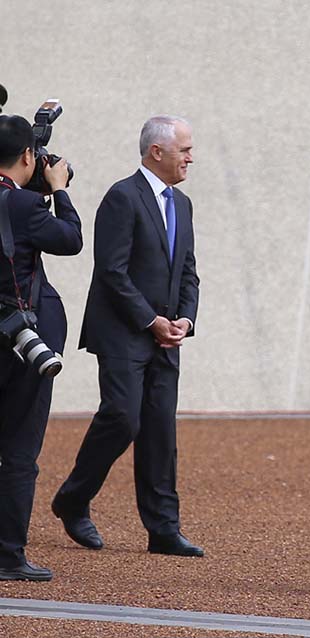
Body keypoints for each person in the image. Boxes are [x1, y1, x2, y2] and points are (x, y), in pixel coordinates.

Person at [52, 115, 202, 557]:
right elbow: (111, 271)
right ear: (157, 151)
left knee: (160, 431)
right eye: (185, 149)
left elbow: (188, 270)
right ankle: (73, 499)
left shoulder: (183, 204)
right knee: (123, 418)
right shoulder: (123, 196)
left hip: (166, 336)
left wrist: (185, 321)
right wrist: (150, 320)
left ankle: (163, 529)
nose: (191, 157)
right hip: (122, 332)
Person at [0, 114, 82, 581]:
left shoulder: (20, 202)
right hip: (22, 342)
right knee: (18, 450)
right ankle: (9, 555)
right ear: (29, 156)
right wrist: (60, 190)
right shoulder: (28, 208)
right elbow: (70, 239)